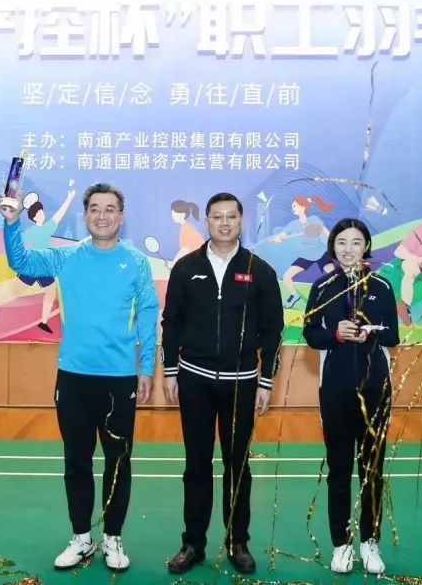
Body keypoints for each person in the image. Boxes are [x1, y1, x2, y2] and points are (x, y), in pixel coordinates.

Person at [0, 183, 158, 572]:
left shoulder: (136, 262)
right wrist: (12, 222)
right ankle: (82, 537)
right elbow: (21, 261)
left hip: (119, 380)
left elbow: (148, 315)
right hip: (73, 378)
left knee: (118, 462)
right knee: (77, 462)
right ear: (85, 216)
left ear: (121, 216)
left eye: (110, 209)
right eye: (95, 209)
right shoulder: (66, 256)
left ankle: (113, 538)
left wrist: (147, 368)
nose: (102, 215)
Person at [161, 192, 284, 576]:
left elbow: (274, 329)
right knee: (196, 465)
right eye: (217, 216)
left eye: (232, 216)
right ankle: (192, 544)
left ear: (240, 221)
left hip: (242, 383)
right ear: (207, 221)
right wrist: (170, 371)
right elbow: (171, 322)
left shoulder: (259, 270)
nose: (225, 223)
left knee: (238, 466)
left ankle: (238, 542)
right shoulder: (186, 268)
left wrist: (266, 380)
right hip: (194, 381)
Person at [303, 217, 399, 575]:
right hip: (335, 390)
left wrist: (368, 333)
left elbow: (393, 336)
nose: (348, 249)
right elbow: (310, 334)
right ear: (333, 246)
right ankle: (341, 545)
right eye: (342, 242)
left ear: (366, 247)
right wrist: (336, 334)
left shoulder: (383, 286)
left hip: (375, 391)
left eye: (356, 242)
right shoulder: (322, 287)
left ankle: (370, 542)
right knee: (340, 471)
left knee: (372, 470)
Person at [0, 178, 77, 331]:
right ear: (34, 216)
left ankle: (43, 322)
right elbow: (16, 245)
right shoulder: (33, 231)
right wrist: (10, 221)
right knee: (17, 290)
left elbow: (59, 215)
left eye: (42, 212)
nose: (43, 214)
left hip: (45, 267)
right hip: (32, 266)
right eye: (40, 213)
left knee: (50, 292)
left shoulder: (45, 228)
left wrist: (69, 199)